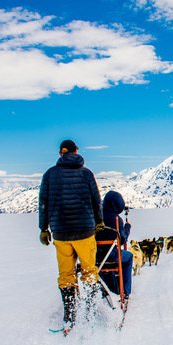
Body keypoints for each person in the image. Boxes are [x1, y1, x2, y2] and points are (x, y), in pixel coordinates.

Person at [38, 139, 105, 334]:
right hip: (85, 231)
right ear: (76, 151)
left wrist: (44, 228)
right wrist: (99, 222)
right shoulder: (86, 173)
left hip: (61, 233)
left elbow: (43, 203)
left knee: (66, 276)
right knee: (89, 271)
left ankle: (70, 317)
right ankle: (90, 313)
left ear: (61, 153)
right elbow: (96, 199)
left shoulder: (49, 175)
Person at [100, 190, 133, 298]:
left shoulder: (94, 215)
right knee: (128, 257)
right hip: (111, 255)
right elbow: (122, 240)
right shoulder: (116, 219)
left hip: (92, 255)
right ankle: (125, 291)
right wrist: (127, 227)